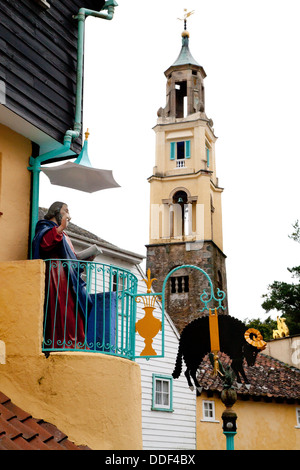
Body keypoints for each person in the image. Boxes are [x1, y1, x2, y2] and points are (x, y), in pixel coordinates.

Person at [32, 202, 92, 350]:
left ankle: (77, 340)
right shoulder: (44, 226)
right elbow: (44, 244)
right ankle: (63, 341)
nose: (69, 216)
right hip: (57, 275)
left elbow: (71, 257)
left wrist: (84, 259)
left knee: (83, 303)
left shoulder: (63, 234)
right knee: (63, 308)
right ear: (56, 212)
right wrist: (59, 229)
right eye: (66, 211)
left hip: (69, 276)